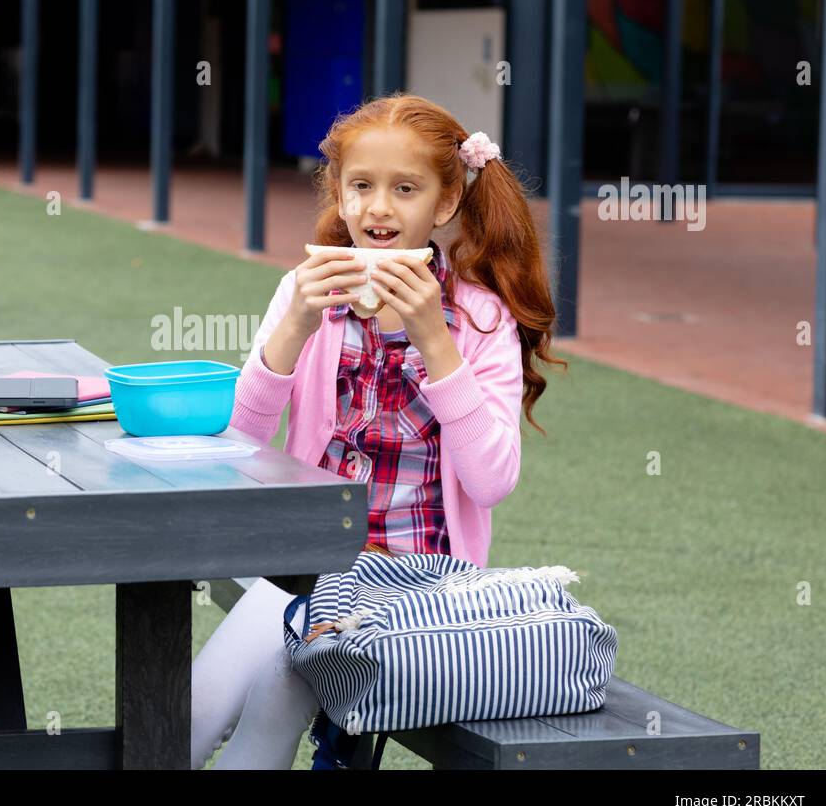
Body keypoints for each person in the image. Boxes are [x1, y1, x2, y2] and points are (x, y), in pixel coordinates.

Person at [191, 92, 567, 770]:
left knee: (282, 683)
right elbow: (237, 443)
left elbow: (492, 480)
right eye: (361, 186)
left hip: (418, 586)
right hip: (306, 567)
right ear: (338, 190)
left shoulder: (481, 320)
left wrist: (436, 342)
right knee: (198, 704)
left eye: (406, 189)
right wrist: (294, 328)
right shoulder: (306, 292)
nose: (379, 208)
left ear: (445, 204)